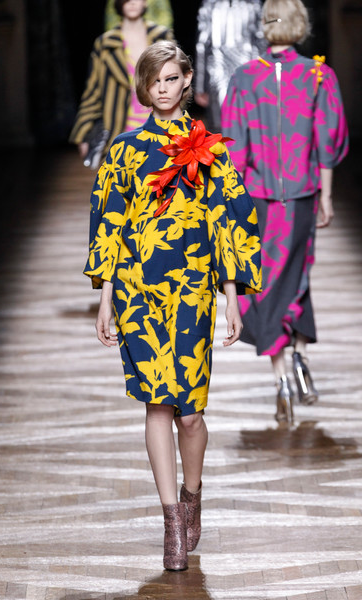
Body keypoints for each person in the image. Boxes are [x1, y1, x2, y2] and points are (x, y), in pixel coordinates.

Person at [83, 40, 262, 570]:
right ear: (144, 87)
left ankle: (192, 494)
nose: (162, 89)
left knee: (191, 414)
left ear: (186, 82)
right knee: (156, 404)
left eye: (170, 79)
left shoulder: (211, 150)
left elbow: (229, 222)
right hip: (138, 290)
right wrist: (106, 299)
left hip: (192, 291)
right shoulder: (124, 150)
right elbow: (108, 223)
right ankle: (171, 524)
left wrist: (232, 300)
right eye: (153, 81)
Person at [221, 0, 349, 424]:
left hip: (259, 198)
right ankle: (299, 356)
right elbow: (327, 139)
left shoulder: (244, 79)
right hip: (301, 196)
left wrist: (232, 205)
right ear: (301, 25)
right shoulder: (318, 75)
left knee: (267, 283)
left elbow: (235, 147)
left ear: (265, 26)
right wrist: (326, 197)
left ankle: (281, 378)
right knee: (296, 275)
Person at [69, 0, 173, 168]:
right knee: (123, 181)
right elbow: (93, 90)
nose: (131, 2)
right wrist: (84, 132)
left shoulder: (162, 38)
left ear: (145, 2)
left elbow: (176, 84)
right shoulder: (105, 43)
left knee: (158, 180)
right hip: (120, 127)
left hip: (159, 126)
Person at [195, 0, 266, 131]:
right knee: (239, 127)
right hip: (230, 75)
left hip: (225, 75)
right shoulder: (254, 5)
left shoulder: (210, 5)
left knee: (223, 127)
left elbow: (202, 45)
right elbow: (261, 44)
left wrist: (200, 87)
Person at [104, 0, 173, 30]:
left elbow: (164, 14)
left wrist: (158, 34)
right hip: (123, 31)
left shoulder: (160, 34)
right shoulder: (107, 40)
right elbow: (111, 17)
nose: (132, 2)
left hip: (151, 33)